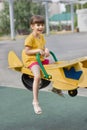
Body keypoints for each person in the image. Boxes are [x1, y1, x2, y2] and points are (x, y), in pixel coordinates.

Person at [22, 15, 50, 114]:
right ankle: (35, 102)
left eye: (42, 25)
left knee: (55, 69)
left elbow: (43, 48)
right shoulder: (30, 38)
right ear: (32, 26)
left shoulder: (41, 37)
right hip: (31, 60)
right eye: (38, 25)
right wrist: (38, 50)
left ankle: (56, 88)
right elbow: (27, 51)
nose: (40, 27)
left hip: (40, 59)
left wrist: (46, 50)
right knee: (37, 76)